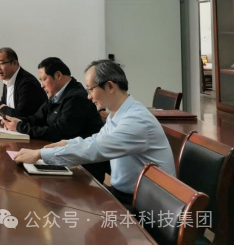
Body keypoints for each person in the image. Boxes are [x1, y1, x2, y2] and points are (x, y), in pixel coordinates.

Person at [15, 59, 176, 206]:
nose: (89, 96)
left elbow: (95, 149)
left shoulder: (136, 120)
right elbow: (95, 140)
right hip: (126, 194)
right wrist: (64, 144)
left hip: (148, 206)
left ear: (110, 86)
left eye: (91, 89)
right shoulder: (117, 114)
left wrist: (40, 154)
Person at [2, 57, 108, 181]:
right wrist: (17, 122)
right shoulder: (56, 95)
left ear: (58, 75)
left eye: (44, 79)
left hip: (83, 168)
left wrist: (20, 127)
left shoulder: (76, 98)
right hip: (63, 156)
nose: (41, 85)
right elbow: (37, 118)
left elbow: (58, 134)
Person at [0, 47, 46, 118]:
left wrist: (1, 108)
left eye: (1, 63)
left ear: (14, 63)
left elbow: (20, 115)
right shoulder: (8, 78)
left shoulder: (27, 83)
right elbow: (4, 102)